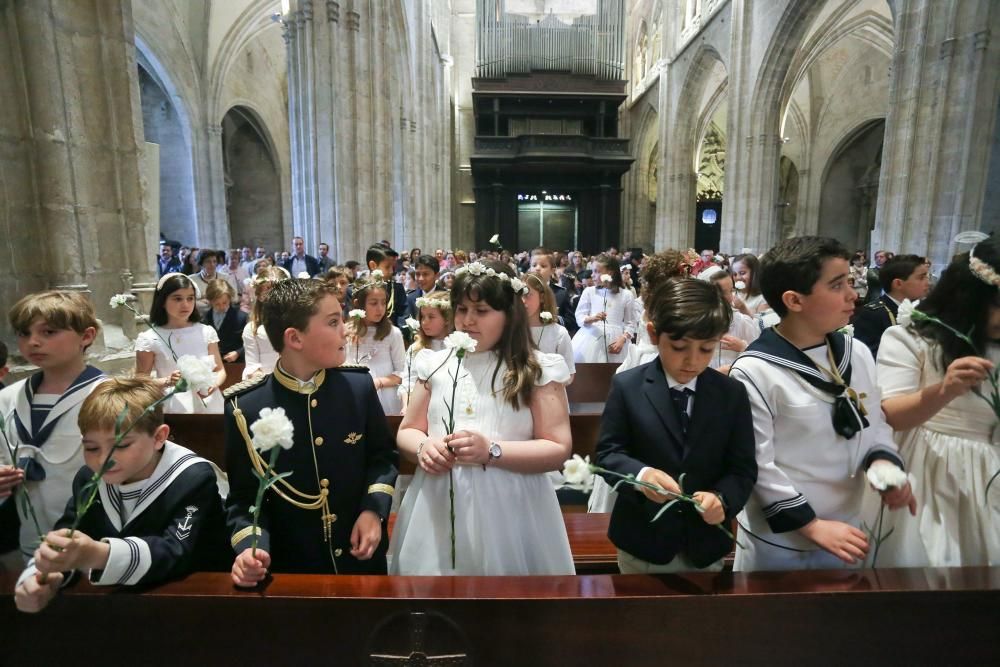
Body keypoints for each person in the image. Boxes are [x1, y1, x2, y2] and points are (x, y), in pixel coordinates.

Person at [729, 236, 914, 571]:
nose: (852, 295)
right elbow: (757, 464)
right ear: (794, 300)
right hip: (783, 540)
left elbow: (875, 423)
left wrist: (883, 465)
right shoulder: (754, 370)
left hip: (848, 527)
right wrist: (812, 526)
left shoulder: (855, 352)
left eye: (850, 282)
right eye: (837, 285)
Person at [389, 260, 574, 575]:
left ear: (509, 314)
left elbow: (558, 447)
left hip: (511, 509)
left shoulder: (536, 369)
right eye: (461, 309)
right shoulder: (434, 363)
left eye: (482, 311)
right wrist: (423, 448)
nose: (468, 321)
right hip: (438, 503)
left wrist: (492, 450)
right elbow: (408, 431)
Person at [225, 279, 398, 583]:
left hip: (360, 559)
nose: (345, 329)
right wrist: (250, 548)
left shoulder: (357, 387)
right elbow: (244, 498)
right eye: (333, 322)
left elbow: (382, 458)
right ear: (295, 338)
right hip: (292, 568)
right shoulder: (246, 407)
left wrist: (374, 511)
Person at [13, 377, 229, 613]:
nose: (104, 459)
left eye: (122, 445)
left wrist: (98, 555)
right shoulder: (88, 478)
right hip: (120, 605)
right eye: (91, 448)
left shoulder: (193, 477)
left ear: (159, 437)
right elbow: (69, 532)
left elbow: (174, 550)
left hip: (196, 601)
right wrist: (49, 574)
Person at [596, 278, 757, 573]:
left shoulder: (730, 393)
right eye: (680, 347)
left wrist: (722, 499)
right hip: (643, 540)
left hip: (706, 541)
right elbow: (608, 455)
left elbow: (743, 468)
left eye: (706, 349)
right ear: (654, 334)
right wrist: (642, 475)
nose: (692, 361)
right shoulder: (628, 386)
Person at [876, 239, 1000, 567]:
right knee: (937, 569)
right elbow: (891, 414)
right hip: (935, 467)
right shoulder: (912, 338)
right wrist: (944, 390)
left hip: (994, 468)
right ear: (969, 298)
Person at [0, 291, 106, 565]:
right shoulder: (8, 398)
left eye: (49, 332)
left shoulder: (108, 395)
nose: (33, 342)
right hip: (28, 536)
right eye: (24, 333)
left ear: (86, 336)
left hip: (92, 542)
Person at [135, 273, 226, 414]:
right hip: (173, 404)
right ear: (162, 301)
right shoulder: (150, 338)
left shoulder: (206, 332)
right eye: (177, 299)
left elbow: (220, 370)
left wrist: (212, 385)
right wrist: (167, 381)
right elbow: (140, 381)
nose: (186, 304)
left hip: (209, 401)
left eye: (190, 298)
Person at [345, 274, 405, 415]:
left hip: (386, 398)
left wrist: (378, 382)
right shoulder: (346, 332)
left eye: (383, 302)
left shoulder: (392, 333)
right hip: (355, 395)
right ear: (358, 304)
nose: (380, 308)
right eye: (373, 303)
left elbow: (402, 372)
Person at [852, 254, 930, 358]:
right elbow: (867, 357)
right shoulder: (874, 314)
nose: (927, 283)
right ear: (898, 284)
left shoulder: (922, 309)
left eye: (927, 277)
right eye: (921, 277)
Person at [572, 254, 637, 364]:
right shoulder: (589, 291)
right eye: (592, 271)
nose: (592, 275)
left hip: (616, 340)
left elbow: (631, 323)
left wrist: (623, 339)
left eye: (596, 271)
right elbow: (579, 316)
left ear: (610, 273)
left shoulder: (626, 295)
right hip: (591, 337)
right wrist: (592, 318)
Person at [696, 265, 760, 371]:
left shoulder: (741, 321)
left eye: (731, 290)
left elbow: (759, 357)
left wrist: (743, 347)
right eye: (721, 293)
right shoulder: (694, 323)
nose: (730, 297)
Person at [398, 290, 453, 413]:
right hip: (420, 408)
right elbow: (408, 381)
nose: (424, 322)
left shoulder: (456, 347)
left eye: (431, 317)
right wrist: (407, 406)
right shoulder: (416, 348)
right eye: (422, 317)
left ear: (447, 319)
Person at [523, 273, 575, 383]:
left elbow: (569, 374)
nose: (522, 300)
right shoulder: (511, 330)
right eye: (519, 295)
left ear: (542, 297)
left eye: (527, 294)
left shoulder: (558, 333)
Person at [241, 266, 289, 379]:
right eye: (268, 289)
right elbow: (252, 365)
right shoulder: (252, 328)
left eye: (279, 288)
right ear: (259, 295)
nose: (274, 294)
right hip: (267, 382)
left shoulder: (299, 321)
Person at [530, 248, 575, 335]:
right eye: (534, 265)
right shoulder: (524, 292)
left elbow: (571, 322)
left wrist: (555, 319)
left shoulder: (561, 293)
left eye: (543, 266)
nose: (537, 269)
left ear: (552, 270)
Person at [205, 279, 248, 363]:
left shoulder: (241, 317)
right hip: (213, 363)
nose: (221, 307)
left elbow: (250, 342)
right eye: (217, 304)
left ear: (230, 298)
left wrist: (238, 352)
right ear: (210, 301)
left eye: (225, 302)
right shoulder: (205, 317)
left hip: (236, 363)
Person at [366, 244, 408, 328]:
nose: (391, 271)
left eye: (393, 267)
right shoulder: (357, 289)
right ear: (373, 265)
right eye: (387, 267)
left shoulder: (397, 289)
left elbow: (403, 316)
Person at [405, 255, 440, 319]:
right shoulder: (410, 298)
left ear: (437, 275)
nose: (421, 279)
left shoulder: (446, 297)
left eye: (425, 274)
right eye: (417, 274)